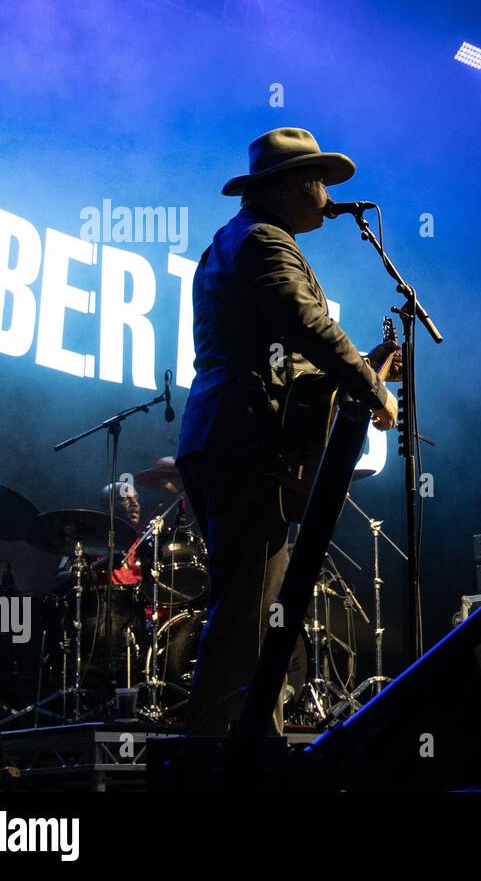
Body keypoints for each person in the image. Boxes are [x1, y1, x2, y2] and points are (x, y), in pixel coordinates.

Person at [175, 127, 398, 736]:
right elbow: (304, 323)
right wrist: (372, 387)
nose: (328, 195)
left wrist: (365, 364)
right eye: (321, 182)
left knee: (251, 609)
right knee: (247, 615)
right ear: (300, 184)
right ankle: (225, 766)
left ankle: (243, 752)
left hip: (227, 438)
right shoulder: (264, 242)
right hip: (241, 444)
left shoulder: (240, 241)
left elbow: (283, 355)